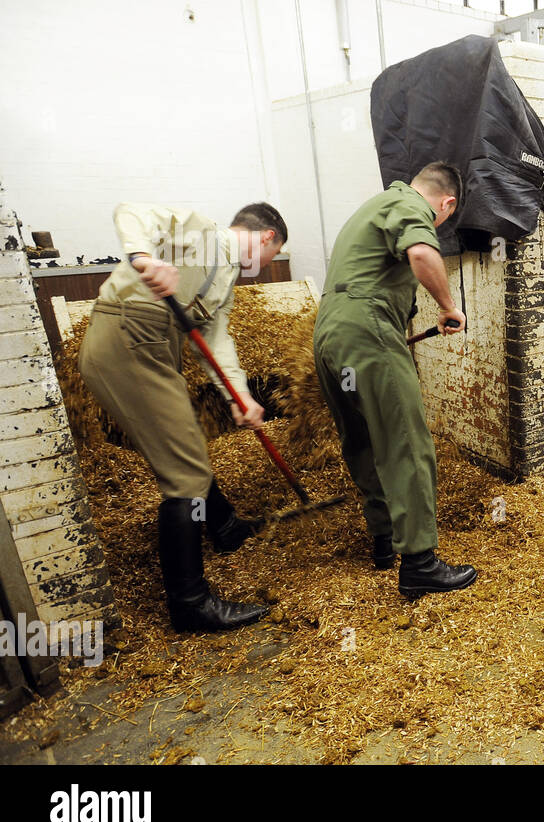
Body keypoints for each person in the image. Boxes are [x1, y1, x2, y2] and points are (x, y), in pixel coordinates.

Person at [79, 202, 287, 632]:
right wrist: (143, 258)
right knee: (186, 477)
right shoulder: (204, 234)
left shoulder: (224, 280)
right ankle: (190, 603)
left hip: (155, 347)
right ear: (267, 237)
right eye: (274, 255)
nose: (268, 266)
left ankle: (225, 528)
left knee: (188, 447)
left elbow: (215, 337)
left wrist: (238, 395)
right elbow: (131, 213)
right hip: (127, 339)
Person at [313, 162, 477, 601]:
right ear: (447, 204)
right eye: (444, 218)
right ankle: (421, 563)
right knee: (405, 439)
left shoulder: (374, 206)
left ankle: (384, 540)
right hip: (366, 330)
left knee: (364, 437)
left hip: (331, 333)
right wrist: (448, 306)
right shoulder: (409, 203)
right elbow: (422, 254)